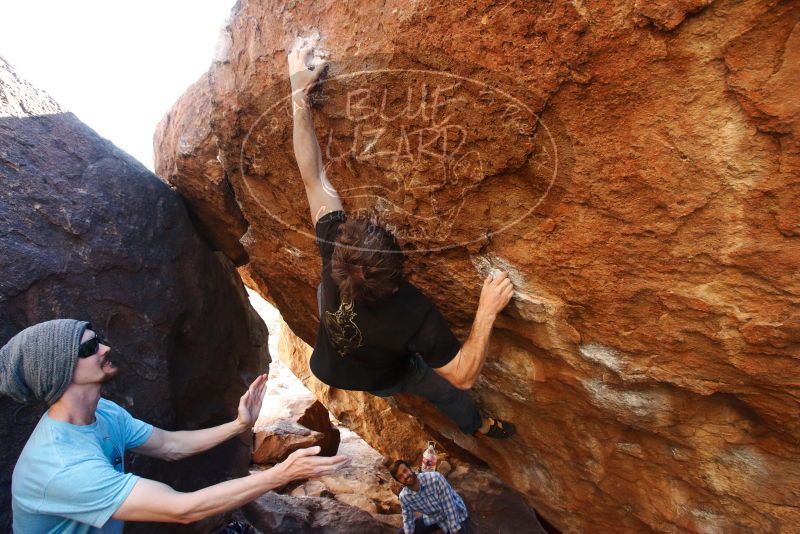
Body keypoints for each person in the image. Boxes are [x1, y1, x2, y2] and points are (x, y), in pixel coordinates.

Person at [288, 44, 515, 439]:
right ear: (394, 283)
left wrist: (298, 95)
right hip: (389, 375)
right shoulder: (413, 312)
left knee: (385, 372)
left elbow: (313, 176)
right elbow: (461, 375)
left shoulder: (333, 251)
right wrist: (487, 311)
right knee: (446, 392)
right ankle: (477, 426)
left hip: (330, 365)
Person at [0, 319, 349, 533]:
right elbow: (182, 509)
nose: (105, 347)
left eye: (98, 338)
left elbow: (168, 446)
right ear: (58, 373)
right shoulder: (60, 467)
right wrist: (279, 474)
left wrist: (238, 425)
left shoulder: (103, 413)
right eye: (90, 347)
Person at [390, 460, 469, 534]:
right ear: (398, 481)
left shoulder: (435, 479)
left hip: (456, 513)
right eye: (400, 476)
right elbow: (408, 519)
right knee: (401, 532)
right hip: (434, 517)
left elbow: (450, 507)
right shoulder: (404, 497)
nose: (405, 476)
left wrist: (455, 530)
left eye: (405, 471)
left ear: (410, 469)